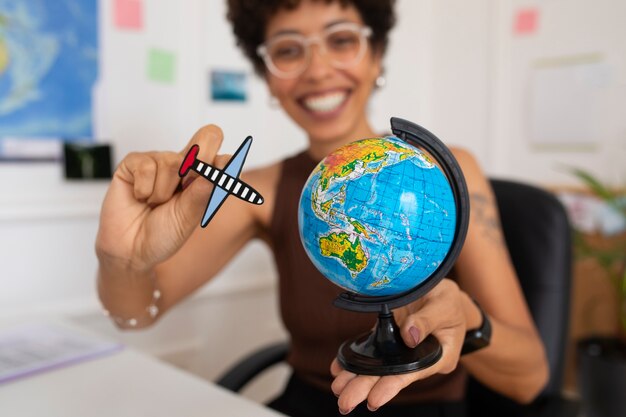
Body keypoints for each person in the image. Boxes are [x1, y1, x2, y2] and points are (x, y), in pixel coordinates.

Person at [96, 1, 549, 416]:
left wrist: (468, 319)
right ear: (268, 77)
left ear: (376, 57)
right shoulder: (261, 190)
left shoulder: (451, 174)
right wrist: (121, 261)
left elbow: (530, 380)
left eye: (341, 39)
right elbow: (138, 311)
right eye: (288, 50)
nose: (317, 69)